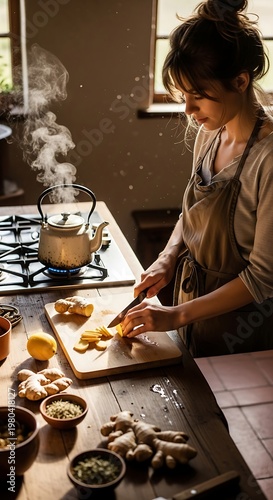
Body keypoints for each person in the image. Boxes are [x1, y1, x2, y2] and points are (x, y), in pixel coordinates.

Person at [121, 0, 273, 357]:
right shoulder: (211, 132)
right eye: (183, 96)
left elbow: (262, 278)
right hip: (192, 313)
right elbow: (194, 214)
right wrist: (168, 256)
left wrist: (176, 314)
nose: (188, 110)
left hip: (244, 334)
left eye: (198, 97)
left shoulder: (268, 159)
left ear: (239, 81)